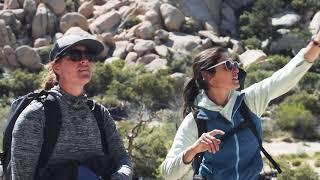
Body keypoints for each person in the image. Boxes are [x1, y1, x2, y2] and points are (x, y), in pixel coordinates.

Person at [161, 31, 320, 180]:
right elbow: (167, 173)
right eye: (228, 65)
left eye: (235, 63)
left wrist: (316, 44)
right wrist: (194, 149)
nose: (236, 69)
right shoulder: (196, 122)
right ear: (207, 75)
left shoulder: (249, 101)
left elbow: (286, 76)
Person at [10, 34, 132, 180]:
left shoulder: (100, 113)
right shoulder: (36, 115)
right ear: (57, 67)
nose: (84, 60)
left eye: (87, 55)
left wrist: (120, 176)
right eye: (75, 55)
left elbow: (123, 159)